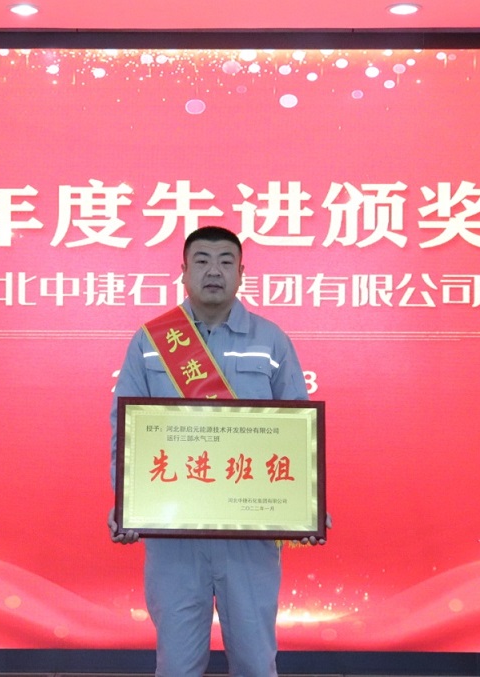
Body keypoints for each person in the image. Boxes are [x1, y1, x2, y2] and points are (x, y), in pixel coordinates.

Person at [108, 226, 327, 677]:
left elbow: (297, 431)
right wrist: (124, 503)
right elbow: (125, 431)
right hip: (174, 532)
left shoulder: (271, 340)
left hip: (248, 533)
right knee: (176, 666)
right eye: (202, 260)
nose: (214, 271)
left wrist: (307, 506)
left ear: (241, 273)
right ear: (183, 271)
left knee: (255, 663)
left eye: (226, 262)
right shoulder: (151, 341)